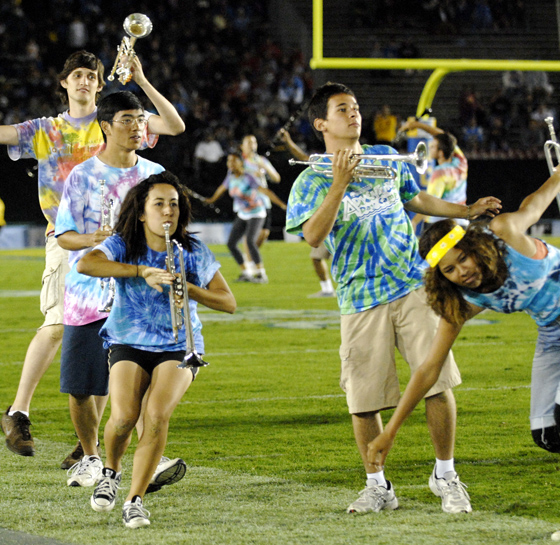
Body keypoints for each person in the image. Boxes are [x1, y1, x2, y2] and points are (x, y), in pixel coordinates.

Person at [0, 51, 184, 467]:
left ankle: (86, 446)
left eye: (92, 75)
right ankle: (19, 412)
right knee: (57, 326)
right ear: (64, 83)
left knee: (115, 337)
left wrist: (141, 79)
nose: (85, 81)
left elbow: (174, 125)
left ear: (100, 84)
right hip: (68, 240)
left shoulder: (118, 122)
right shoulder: (47, 130)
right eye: (78, 75)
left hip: (122, 245)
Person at [285, 82, 501, 514]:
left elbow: (415, 197)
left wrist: (465, 210)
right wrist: (339, 185)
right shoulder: (310, 179)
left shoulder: (386, 156)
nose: (354, 114)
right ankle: (378, 486)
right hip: (359, 297)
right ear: (321, 123)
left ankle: (445, 475)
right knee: (364, 400)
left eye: (356, 107)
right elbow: (312, 235)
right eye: (342, 109)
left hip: (411, 286)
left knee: (436, 382)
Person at [368, 168, 560, 472]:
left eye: (462, 259)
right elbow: (428, 369)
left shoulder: (505, 232)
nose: (462, 272)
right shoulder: (464, 300)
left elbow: (534, 206)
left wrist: (559, 174)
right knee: (549, 435)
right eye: (449, 271)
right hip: (553, 334)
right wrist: (390, 431)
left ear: (473, 247)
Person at [79, 173, 236, 528]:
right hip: (128, 341)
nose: (168, 211)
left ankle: (135, 500)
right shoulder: (123, 244)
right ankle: (111, 472)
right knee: (122, 418)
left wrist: (189, 288)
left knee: (157, 414)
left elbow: (228, 302)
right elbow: (86, 263)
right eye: (159, 204)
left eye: (174, 204)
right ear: (141, 212)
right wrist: (141, 272)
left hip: (179, 346)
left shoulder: (192, 250)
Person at [55, 90, 185, 488]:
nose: (137, 127)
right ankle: (91, 457)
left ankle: (151, 457)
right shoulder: (82, 175)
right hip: (87, 294)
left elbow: (171, 227)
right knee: (80, 388)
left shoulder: (154, 174)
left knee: (143, 388)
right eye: (127, 120)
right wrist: (95, 237)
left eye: (141, 120)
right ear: (106, 126)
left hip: (139, 299)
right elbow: (64, 236)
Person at [278, 127, 335, 298]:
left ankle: (329, 290)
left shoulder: (331, 161)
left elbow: (303, 157)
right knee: (318, 257)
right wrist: (288, 141)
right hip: (331, 219)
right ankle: (327, 290)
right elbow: (303, 157)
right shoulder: (325, 160)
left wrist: (287, 141)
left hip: (337, 219)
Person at [208, 153, 283, 283]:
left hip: (256, 213)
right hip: (243, 214)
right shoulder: (230, 178)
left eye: (234, 161)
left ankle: (261, 274)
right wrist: (211, 200)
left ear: (241, 163)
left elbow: (265, 191)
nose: (230, 164)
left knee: (249, 242)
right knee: (231, 244)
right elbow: (221, 189)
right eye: (229, 161)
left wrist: (281, 204)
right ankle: (246, 272)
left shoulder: (248, 177)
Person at [403, 120, 468, 230]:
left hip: (440, 226)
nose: (429, 149)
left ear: (441, 152)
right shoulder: (461, 162)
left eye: (433, 147)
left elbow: (430, 204)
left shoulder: (440, 173)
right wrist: (417, 125)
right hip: (461, 222)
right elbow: (444, 138)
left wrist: (414, 221)